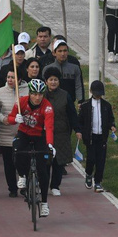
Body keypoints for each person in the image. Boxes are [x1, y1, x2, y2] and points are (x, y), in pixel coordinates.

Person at [7, 79, 55, 217]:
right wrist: (15, 119)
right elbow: (9, 118)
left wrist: (50, 144)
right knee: (16, 150)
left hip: (40, 135)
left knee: (43, 170)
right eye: (34, 94)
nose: (37, 97)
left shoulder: (47, 107)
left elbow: (50, 127)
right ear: (29, 93)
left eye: (40, 94)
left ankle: (45, 203)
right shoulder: (21, 102)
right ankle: (22, 175)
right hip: (24, 133)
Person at [43, 67, 80, 196]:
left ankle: (55, 186)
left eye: (56, 80)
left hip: (61, 133)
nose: (53, 82)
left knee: (59, 162)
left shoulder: (65, 95)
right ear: (46, 81)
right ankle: (43, 184)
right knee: (45, 161)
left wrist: (77, 129)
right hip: (44, 133)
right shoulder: (41, 95)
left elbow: (72, 114)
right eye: (51, 80)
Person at [0, 69, 29, 197]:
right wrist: (3, 118)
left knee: (23, 161)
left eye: (13, 77)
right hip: (6, 133)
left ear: (19, 79)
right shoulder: (0, 92)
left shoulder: (27, 90)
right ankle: (12, 188)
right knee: (9, 163)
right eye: (8, 77)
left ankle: (24, 185)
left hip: (23, 133)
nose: (9, 80)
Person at [78, 80, 115, 193]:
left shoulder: (106, 106)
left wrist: (112, 126)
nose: (98, 96)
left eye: (100, 93)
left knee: (101, 160)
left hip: (102, 137)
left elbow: (110, 119)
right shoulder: (85, 106)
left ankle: (98, 182)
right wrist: (80, 132)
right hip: (90, 137)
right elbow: (80, 121)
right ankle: (89, 174)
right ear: (91, 92)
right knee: (91, 158)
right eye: (96, 93)